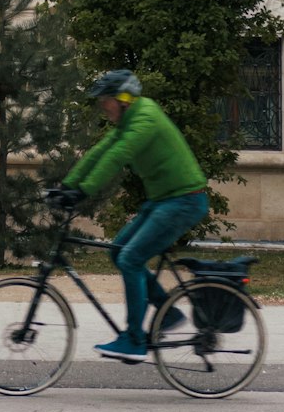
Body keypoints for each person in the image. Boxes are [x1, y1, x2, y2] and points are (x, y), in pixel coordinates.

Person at [51, 68, 208, 363]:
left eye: (105, 100)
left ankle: (134, 340)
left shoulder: (145, 117)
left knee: (130, 259)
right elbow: (100, 151)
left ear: (123, 99)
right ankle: (168, 311)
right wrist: (68, 186)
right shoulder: (128, 120)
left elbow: (119, 155)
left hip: (184, 201)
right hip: (164, 201)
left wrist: (84, 191)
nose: (102, 105)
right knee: (118, 252)